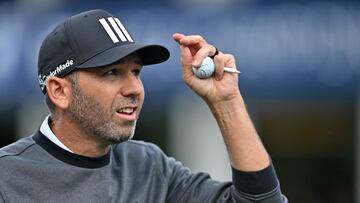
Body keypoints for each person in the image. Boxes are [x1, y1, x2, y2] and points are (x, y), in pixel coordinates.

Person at [0, 9, 287, 202]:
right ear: (59, 91)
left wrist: (227, 102)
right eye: (111, 72)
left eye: (136, 72)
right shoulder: (6, 176)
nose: (135, 88)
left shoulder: (149, 166)